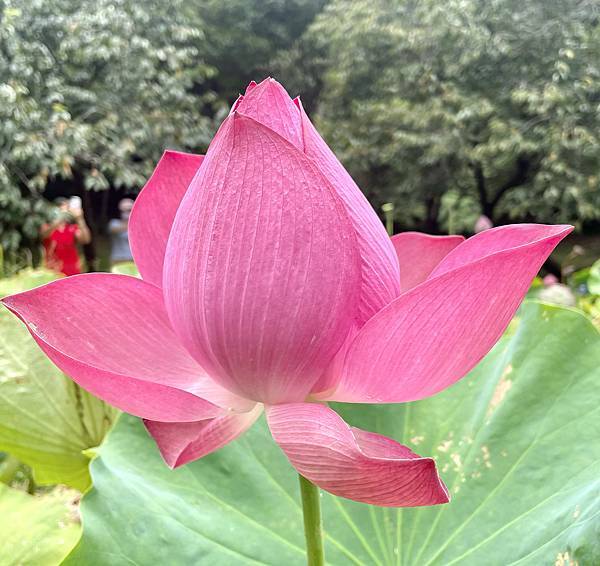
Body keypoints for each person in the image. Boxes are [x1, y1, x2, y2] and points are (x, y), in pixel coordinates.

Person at [40, 197, 91, 276]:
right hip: (53, 272)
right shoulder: (47, 226)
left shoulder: (72, 228)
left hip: (72, 272)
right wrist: (59, 220)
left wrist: (80, 219)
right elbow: (44, 234)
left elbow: (86, 240)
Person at [108, 198, 134, 265]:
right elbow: (114, 229)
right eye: (123, 211)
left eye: (129, 210)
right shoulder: (113, 223)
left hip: (134, 260)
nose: (126, 213)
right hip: (118, 260)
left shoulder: (139, 225)